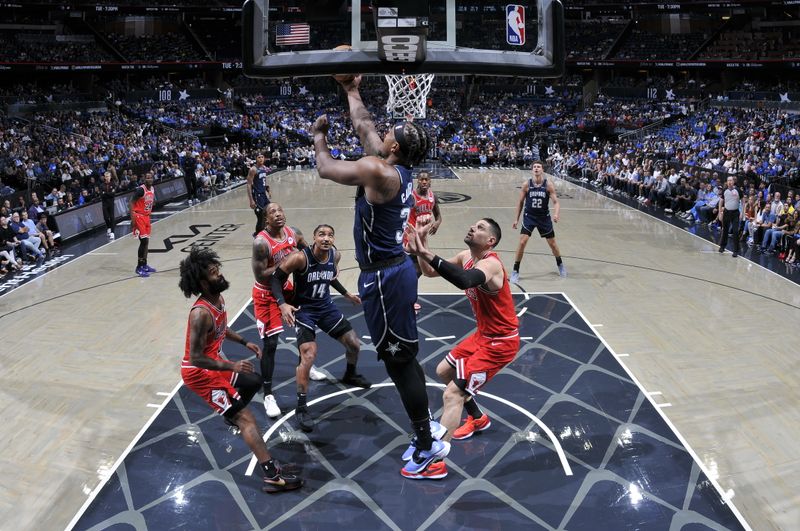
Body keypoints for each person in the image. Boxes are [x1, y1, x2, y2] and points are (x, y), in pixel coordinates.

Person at [312, 74, 448, 481]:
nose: (382, 130)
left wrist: (319, 135)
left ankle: (427, 447)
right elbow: (365, 127)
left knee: (398, 361)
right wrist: (351, 89)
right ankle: (429, 426)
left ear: (394, 148)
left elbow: (324, 167)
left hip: (385, 279)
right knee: (403, 356)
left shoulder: (381, 173)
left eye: (389, 133)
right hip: (393, 273)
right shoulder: (394, 168)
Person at [178, 247, 302, 493]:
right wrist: (231, 364)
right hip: (199, 372)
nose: (220, 274)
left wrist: (244, 342)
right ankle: (272, 476)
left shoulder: (218, 300)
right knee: (247, 419)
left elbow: (221, 329)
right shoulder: (200, 314)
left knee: (252, 380)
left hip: (213, 362)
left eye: (217, 269)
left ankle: (229, 412)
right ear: (203, 282)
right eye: (214, 273)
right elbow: (195, 358)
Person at [405, 217, 519, 478]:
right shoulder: (466, 255)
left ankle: (436, 463)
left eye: (480, 228)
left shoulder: (491, 265)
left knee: (452, 395)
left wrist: (425, 252)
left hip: (501, 343)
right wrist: (422, 244)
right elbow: (431, 272)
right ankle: (477, 417)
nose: (472, 227)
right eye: (473, 224)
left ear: (490, 241)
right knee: (444, 371)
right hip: (483, 335)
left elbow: (466, 280)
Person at [270, 224, 372, 432]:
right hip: (305, 310)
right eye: (321, 234)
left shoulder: (335, 255)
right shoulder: (300, 258)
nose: (326, 238)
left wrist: (345, 294)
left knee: (354, 343)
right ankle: (301, 407)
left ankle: (350, 375)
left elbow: (330, 277)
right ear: (314, 238)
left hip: (326, 308)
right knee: (308, 356)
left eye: (330, 235)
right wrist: (282, 304)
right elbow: (275, 279)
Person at [251, 203, 325, 419]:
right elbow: (261, 275)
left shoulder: (293, 233)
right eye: (272, 212)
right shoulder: (261, 243)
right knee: (271, 344)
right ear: (266, 219)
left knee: (306, 325)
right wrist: (287, 263)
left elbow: (307, 251)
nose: (278, 214)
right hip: (266, 294)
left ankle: (306, 366)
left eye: (280, 210)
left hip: (288, 289)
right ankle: (268, 395)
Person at [511, 160, 565, 282]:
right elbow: (520, 203)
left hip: (543, 218)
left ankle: (560, 264)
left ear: (542, 170)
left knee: (552, 244)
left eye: (538, 167)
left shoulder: (548, 185)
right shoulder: (526, 184)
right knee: (522, 241)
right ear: (532, 170)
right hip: (529, 217)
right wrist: (516, 219)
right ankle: (515, 270)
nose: (536, 168)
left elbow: (556, 202)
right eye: (534, 167)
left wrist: (556, 214)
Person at [130, 172, 156, 277]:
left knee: (146, 242)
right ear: (144, 179)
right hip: (139, 216)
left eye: (150, 178)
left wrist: (151, 204)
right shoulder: (141, 190)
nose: (149, 179)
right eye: (147, 178)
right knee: (143, 241)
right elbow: (131, 202)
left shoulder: (153, 189)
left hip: (146, 217)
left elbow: (149, 201)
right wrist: (133, 219)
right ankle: (139, 267)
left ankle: (144, 265)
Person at [247, 154, 271, 237]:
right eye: (259, 157)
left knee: (268, 214)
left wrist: (267, 188)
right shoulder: (253, 169)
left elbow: (263, 180)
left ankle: (265, 233)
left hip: (263, 194)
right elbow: (249, 185)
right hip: (257, 196)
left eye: (262, 157)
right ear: (256, 159)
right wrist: (251, 200)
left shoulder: (264, 168)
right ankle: (257, 235)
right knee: (260, 217)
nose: (261, 159)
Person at [717, 176, 742, 257]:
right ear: (727, 182)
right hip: (726, 212)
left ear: (733, 181)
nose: (729, 182)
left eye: (731, 180)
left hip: (735, 213)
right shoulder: (725, 190)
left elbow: (744, 201)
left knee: (735, 231)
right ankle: (722, 246)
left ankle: (736, 250)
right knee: (725, 230)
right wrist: (720, 212)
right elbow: (721, 201)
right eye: (728, 180)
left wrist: (743, 212)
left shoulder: (737, 190)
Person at [100, 171, 118, 240]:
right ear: (104, 177)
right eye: (106, 176)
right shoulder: (102, 185)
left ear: (110, 177)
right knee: (106, 217)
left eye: (108, 176)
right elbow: (101, 195)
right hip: (104, 203)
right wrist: (108, 193)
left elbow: (113, 194)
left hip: (111, 203)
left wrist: (106, 193)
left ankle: (112, 232)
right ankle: (109, 227)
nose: (107, 178)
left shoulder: (113, 184)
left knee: (112, 217)